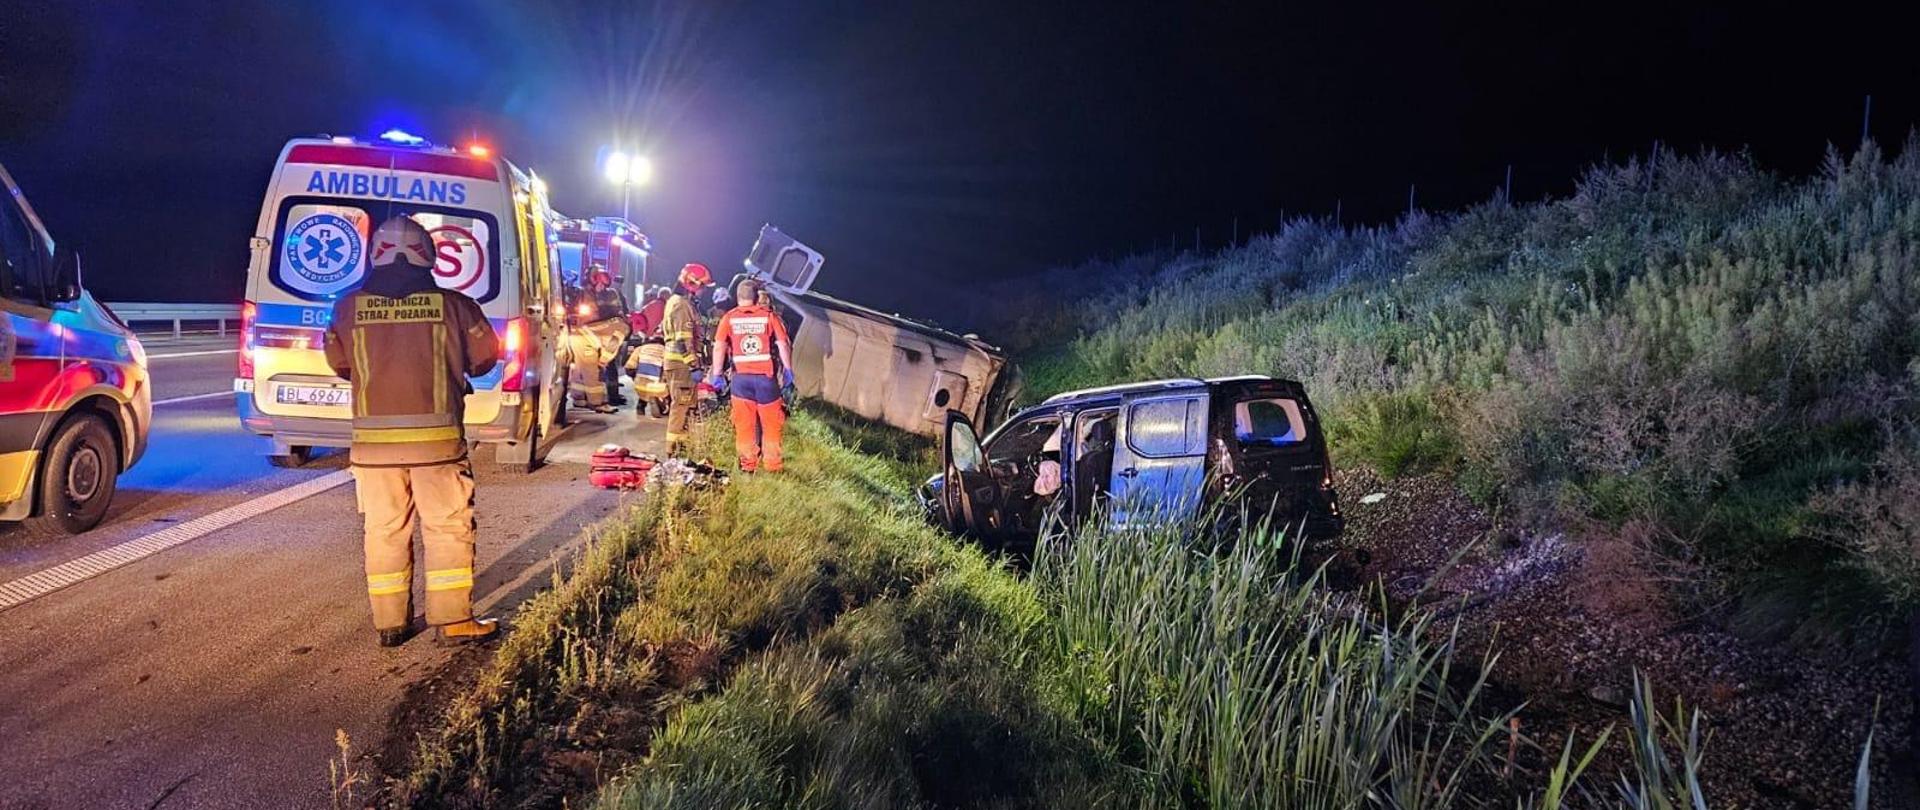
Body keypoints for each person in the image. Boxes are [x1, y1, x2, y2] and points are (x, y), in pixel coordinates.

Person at [323, 215, 500, 647]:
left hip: (372, 451)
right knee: (447, 527)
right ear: (428, 254)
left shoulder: (347, 307)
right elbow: (485, 358)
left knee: (383, 529)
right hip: (437, 446)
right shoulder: (455, 306)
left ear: (375, 255)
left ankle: (390, 624)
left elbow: (339, 363)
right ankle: (452, 619)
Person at [712, 278, 795, 472]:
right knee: (771, 424)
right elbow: (783, 344)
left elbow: (719, 347)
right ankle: (773, 466)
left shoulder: (729, 318)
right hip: (766, 380)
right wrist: (789, 369)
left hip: (741, 381)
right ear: (757, 297)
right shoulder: (769, 316)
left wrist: (717, 374)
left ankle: (748, 466)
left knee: (744, 426)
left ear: (737, 297)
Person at [663, 262, 714, 455]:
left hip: (680, 364)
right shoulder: (681, 305)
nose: (703, 292)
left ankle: (681, 448)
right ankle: (674, 450)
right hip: (681, 365)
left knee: (685, 406)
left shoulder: (680, 303)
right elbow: (683, 340)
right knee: (681, 407)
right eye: (702, 286)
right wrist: (693, 366)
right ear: (691, 284)